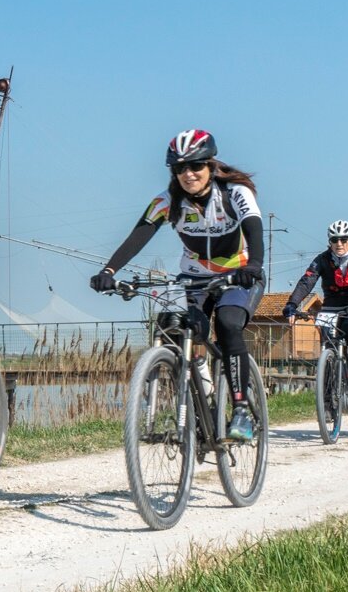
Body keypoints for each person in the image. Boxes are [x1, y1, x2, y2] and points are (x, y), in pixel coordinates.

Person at [90, 129, 265, 441]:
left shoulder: (234, 192)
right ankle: (204, 395)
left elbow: (254, 227)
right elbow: (138, 235)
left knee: (227, 323)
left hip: (237, 275)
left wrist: (253, 266)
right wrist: (108, 270)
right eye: (180, 168)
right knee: (175, 328)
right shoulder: (167, 201)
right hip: (193, 277)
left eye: (195, 166)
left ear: (210, 165)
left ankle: (240, 409)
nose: (188, 174)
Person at [281, 220, 348, 400]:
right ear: (330, 242)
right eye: (334, 240)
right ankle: (330, 397)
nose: (339, 244)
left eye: (344, 240)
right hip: (332, 303)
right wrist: (292, 304)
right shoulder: (322, 259)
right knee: (328, 342)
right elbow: (307, 281)